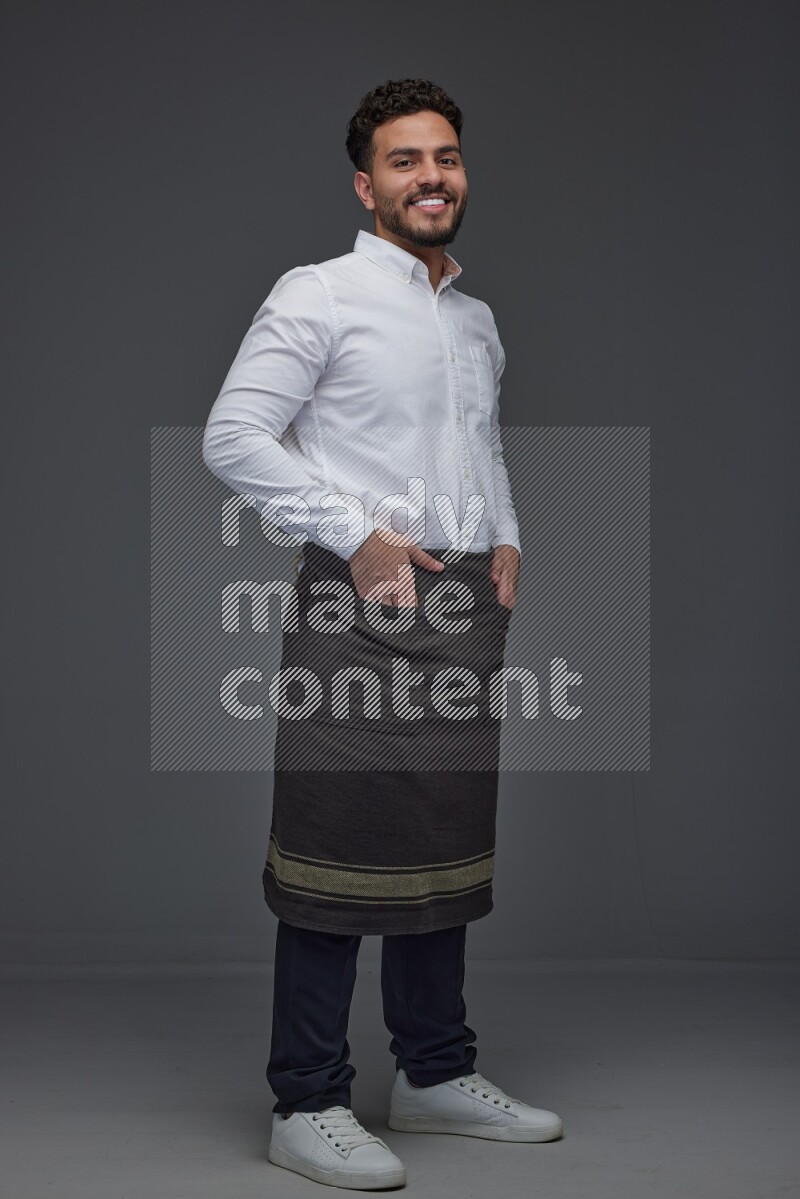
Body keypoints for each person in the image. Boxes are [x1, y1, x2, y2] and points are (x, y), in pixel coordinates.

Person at [202, 77, 563, 1191]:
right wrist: (354, 533)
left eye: (445, 157)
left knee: (439, 847)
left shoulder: (474, 316)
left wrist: (503, 536)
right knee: (335, 847)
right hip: (354, 606)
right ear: (366, 184)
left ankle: (432, 1074)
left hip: (460, 614)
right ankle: (305, 1097)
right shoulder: (319, 294)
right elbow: (234, 436)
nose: (431, 177)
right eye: (405, 161)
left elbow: (481, 447)